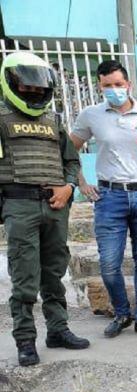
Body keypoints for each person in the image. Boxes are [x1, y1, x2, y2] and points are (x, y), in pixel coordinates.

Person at [70, 60, 137, 339]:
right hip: (109, 196)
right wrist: (82, 183)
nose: (113, 90)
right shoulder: (91, 115)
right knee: (109, 264)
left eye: (118, 84)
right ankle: (121, 313)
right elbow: (68, 150)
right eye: (107, 85)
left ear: (128, 84)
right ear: (100, 86)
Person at [0, 51, 89, 366]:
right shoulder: (1, 119)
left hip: (56, 205)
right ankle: (25, 340)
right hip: (19, 204)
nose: (35, 90)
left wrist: (69, 187)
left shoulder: (53, 121)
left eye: (40, 85)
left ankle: (58, 330)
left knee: (54, 272)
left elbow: (71, 160)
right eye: (27, 85)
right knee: (25, 275)